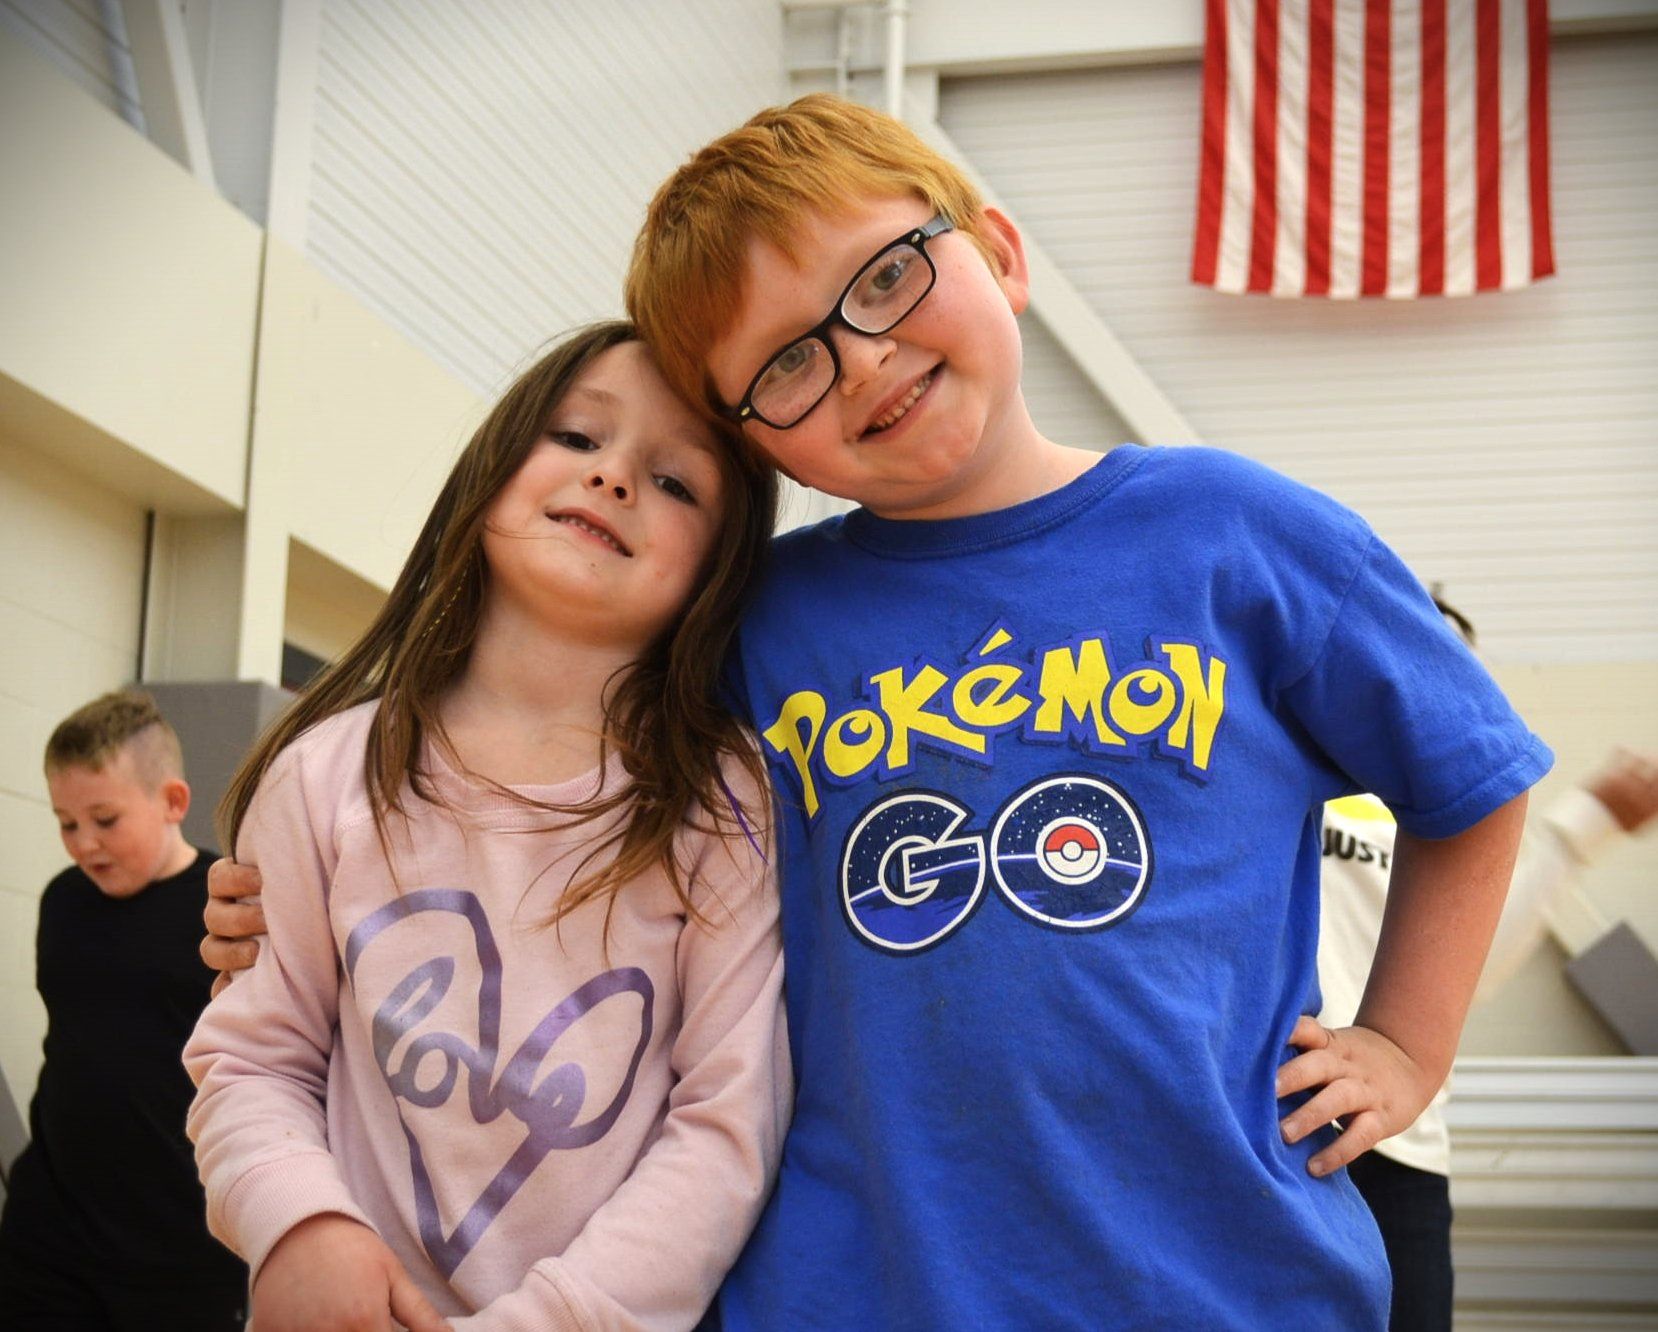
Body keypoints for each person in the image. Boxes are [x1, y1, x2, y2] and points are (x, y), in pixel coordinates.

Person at [206, 98, 1551, 1327]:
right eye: (785, 363)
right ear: (755, 446)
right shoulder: (750, 625)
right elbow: (544, 793)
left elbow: (1472, 782)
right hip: (845, 1292)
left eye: (889, 277)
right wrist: (291, 896)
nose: (859, 361)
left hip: (1220, 1279)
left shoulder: (1242, 538)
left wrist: (1401, 1043)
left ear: (1001, 254)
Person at [183, 322, 789, 1332]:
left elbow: (725, 1125)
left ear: (718, 569)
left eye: (676, 482)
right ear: (496, 461)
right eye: (576, 436)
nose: (613, 480)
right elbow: (252, 1061)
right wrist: (300, 1225)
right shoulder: (326, 773)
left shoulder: (722, 807)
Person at [1319, 596, 1658, 1332]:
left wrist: (1587, 824)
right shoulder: (1298, 770)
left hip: (1400, 1146)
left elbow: (1469, 970)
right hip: (1271, 1129)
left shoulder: (1452, 816)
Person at [0, 690, 247, 1331]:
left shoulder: (226, 912)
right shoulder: (63, 901)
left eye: (105, 820)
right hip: (49, 1231)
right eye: (66, 822)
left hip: (180, 1245)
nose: (84, 844)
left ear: (172, 802)